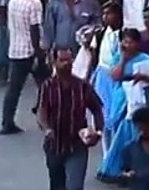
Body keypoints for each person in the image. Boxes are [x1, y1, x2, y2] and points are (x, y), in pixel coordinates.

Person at [39, 47, 105, 190]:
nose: (66, 64)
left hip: (77, 145)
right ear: (54, 62)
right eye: (62, 60)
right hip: (54, 145)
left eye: (69, 60)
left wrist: (98, 132)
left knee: (75, 186)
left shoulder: (82, 86)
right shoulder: (47, 86)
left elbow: (97, 109)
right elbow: (42, 112)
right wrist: (47, 129)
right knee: (57, 185)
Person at [97, 28, 149, 184]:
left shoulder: (146, 59)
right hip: (122, 97)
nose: (127, 44)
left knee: (135, 132)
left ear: (137, 43)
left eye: (130, 41)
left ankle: (135, 169)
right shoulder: (118, 57)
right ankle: (118, 169)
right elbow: (115, 76)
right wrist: (124, 59)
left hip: (138, 99)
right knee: (119, 130)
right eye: (125, 41)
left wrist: (144, 77)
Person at [1, 0, 44, 135]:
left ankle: (7, 121)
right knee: (45, 85)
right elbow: (35, 30)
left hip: (15, 49)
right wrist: (39, 54)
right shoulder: (35, 2)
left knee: (14, 88)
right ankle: (45, 117)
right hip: (29, 51)